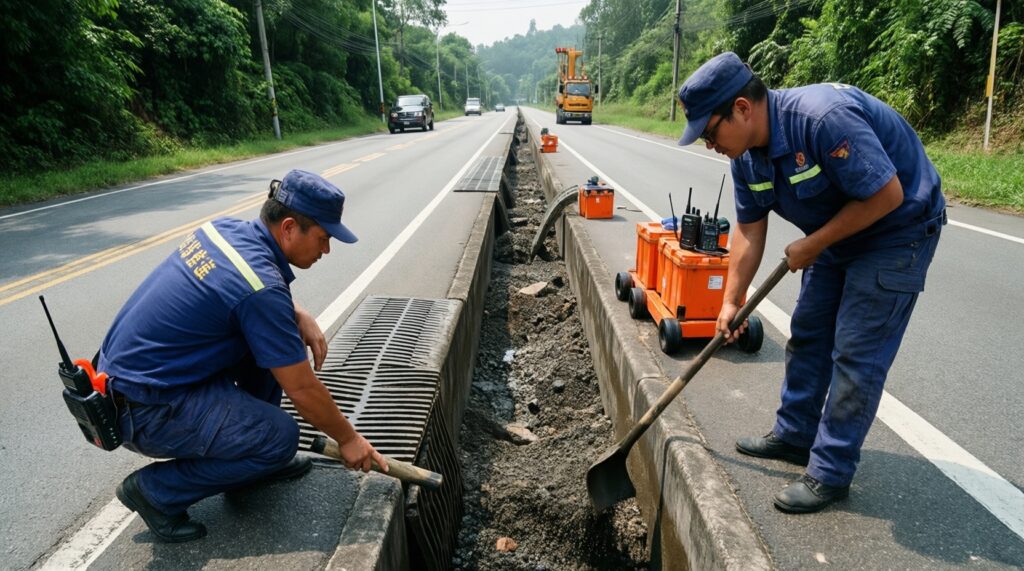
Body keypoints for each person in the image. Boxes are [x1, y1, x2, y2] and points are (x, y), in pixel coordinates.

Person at [677, 52, 945, 513]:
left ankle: (830, 472)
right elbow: (748, 230)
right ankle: (796, 435)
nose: (709, 144)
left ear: (742, 108)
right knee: (809, 334)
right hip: (836, 236)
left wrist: (814, 243)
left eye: (709, 132)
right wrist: (731, 300)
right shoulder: (746, 159)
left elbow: (887, 193)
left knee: (855, 352)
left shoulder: (821, 119)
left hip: (896, 230)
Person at [99, 170, 388, 542]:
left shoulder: (223, 231)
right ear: (288, 228)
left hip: (136, 382)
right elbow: (301, 387)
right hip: (147, 409)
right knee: (282, 437)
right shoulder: (261, 289)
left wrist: (296, 312)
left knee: (278, 339)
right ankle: (156, 491)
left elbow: (247, 292)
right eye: (323, 238)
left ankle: (249, 465)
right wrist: (348, 439)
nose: (326, 250)